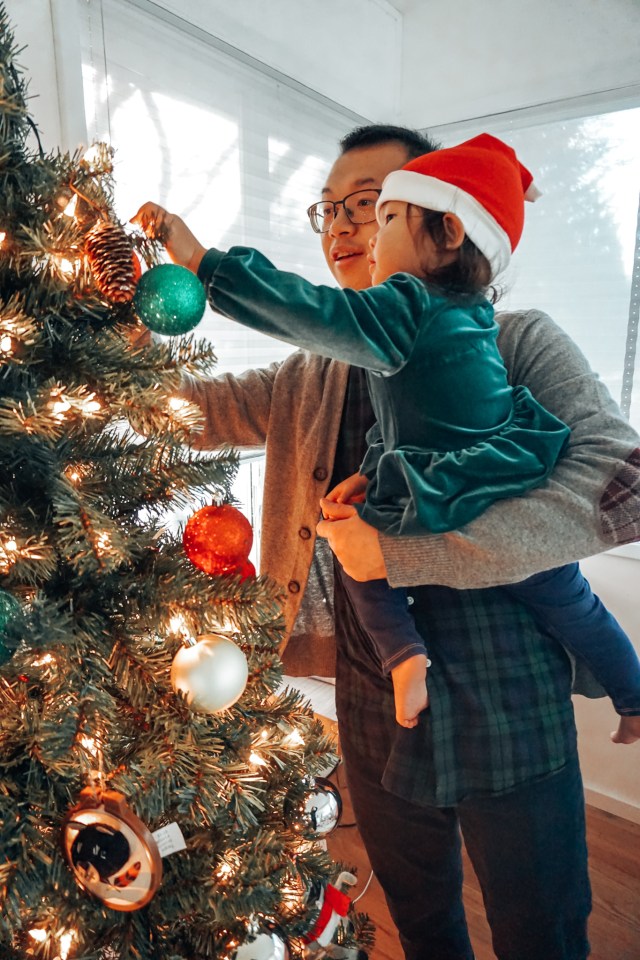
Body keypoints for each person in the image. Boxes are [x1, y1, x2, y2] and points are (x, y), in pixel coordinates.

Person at [130, 124, 640, 960]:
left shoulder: (515, 340)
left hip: (509, 693)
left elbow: (619, 478)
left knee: (541, 927)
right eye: (327, 209)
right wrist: (105, 357)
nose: (340, 227)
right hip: (374, 696)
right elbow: (201, 409)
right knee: (422, 918)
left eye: (369, 204)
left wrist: (399, 555)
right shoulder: (312, 372)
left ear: (443, 220)